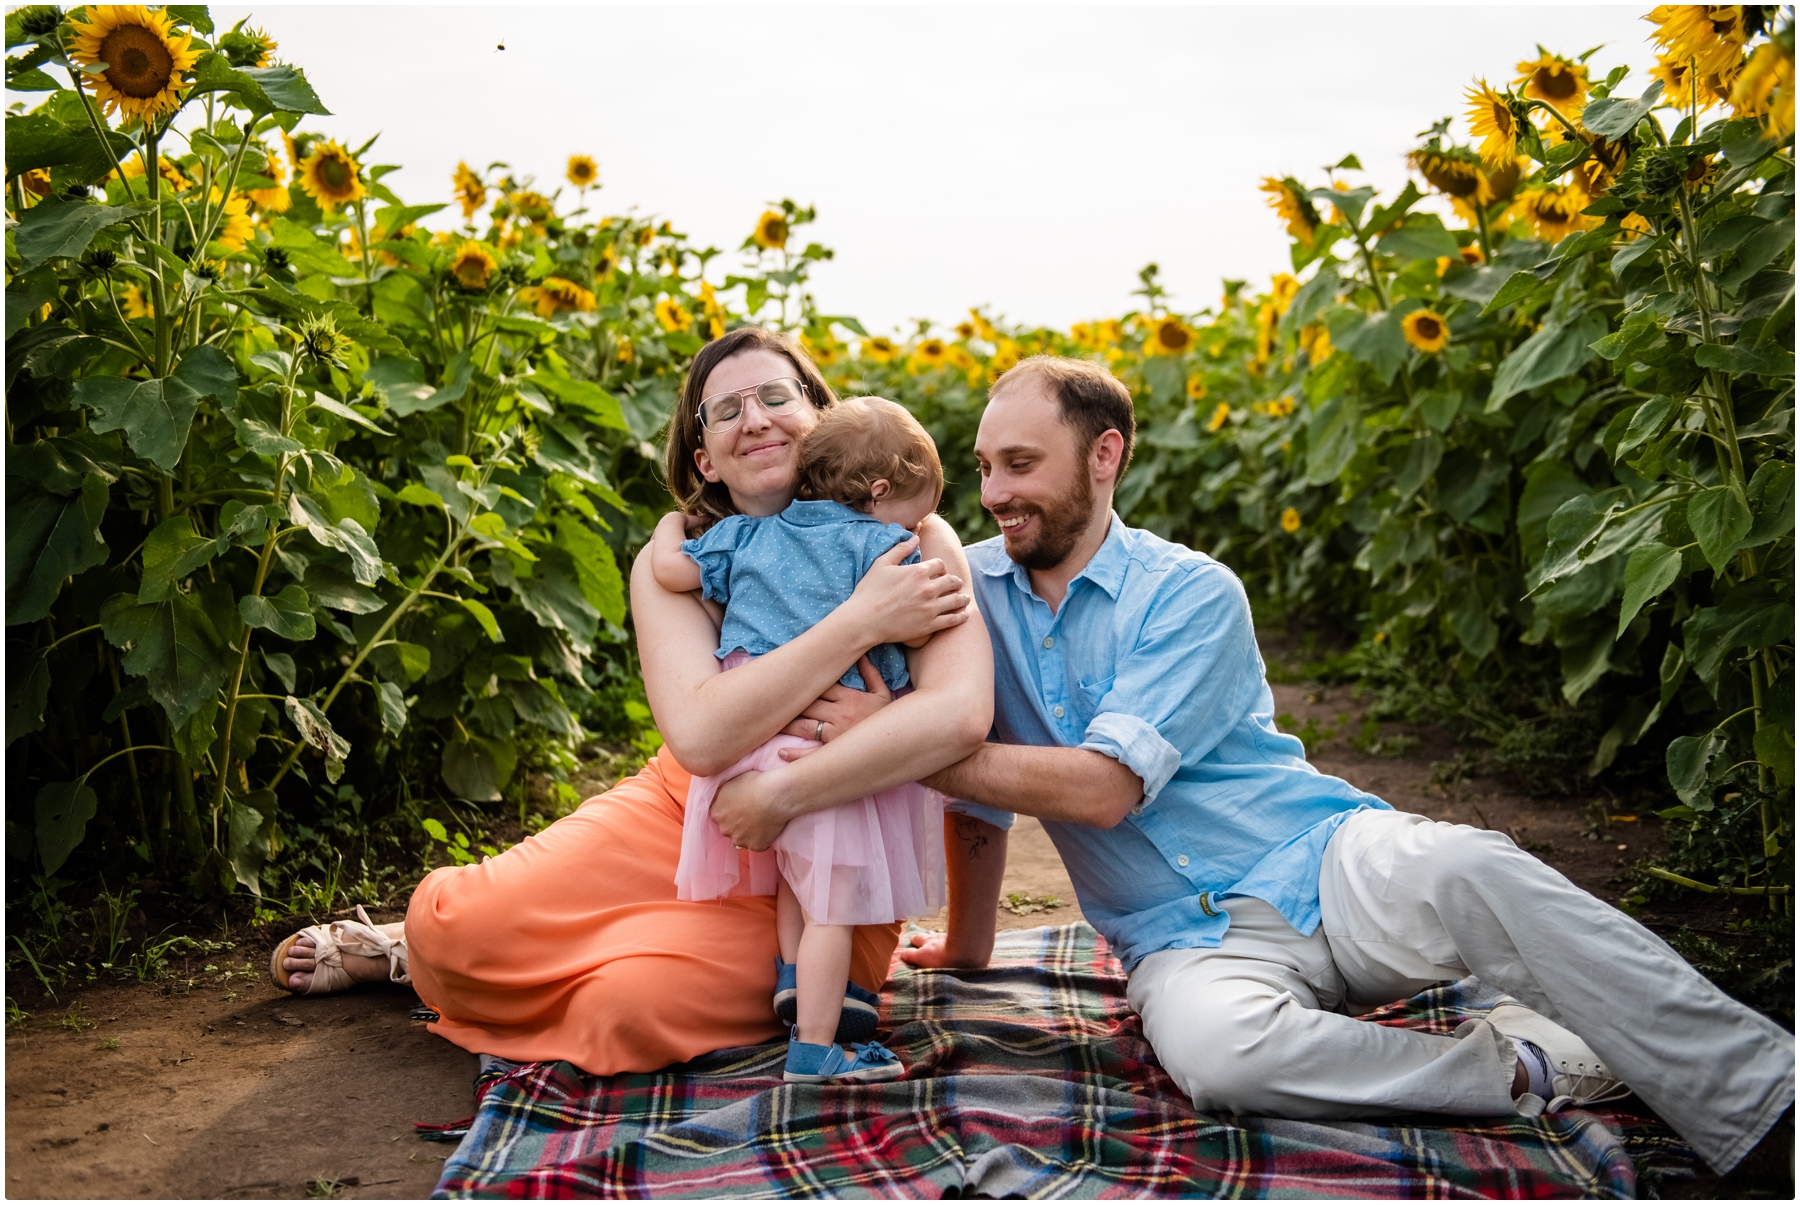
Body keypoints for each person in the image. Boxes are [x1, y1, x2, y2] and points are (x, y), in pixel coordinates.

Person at [710, 353, 1793, 1178]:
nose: (993, 493)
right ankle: (1525, 1065)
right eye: (985, 465)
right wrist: (975, 945)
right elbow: (982, 799)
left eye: (1021, 466)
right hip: (1177, 938)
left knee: (1474, 867)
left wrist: (902, 738)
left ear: (1106, 454)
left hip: (1317, 857)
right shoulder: (960, 587)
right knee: (1218, 1058)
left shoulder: (1190, 590)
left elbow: (1098, 786)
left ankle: (1765, 1099)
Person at [268, 327, 1001, 1079]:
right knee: (452, 929)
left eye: (778, 396)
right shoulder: (679, 557)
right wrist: (864, 623)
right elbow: (706, 737)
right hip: (690, 816)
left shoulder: (911, 532)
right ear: (704, 458)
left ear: (823, 415)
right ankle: (406, 948)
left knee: (625, 1009)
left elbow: (959, 713)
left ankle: (583, 970)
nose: (756, 418)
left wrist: (795, 783)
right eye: (726, 410)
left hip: (839, 850)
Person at [649, 396, 952, 1083]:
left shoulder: (747, 536)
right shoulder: (883, 545)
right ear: (879, 494)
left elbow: (671, 572)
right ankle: (818, 1048)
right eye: (919, 506)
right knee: (832, 909)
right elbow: (916, 625)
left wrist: (672, 525)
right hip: (824, 757)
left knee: (799, 883)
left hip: (754, 740)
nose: (923, 523)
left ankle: (794, 990)